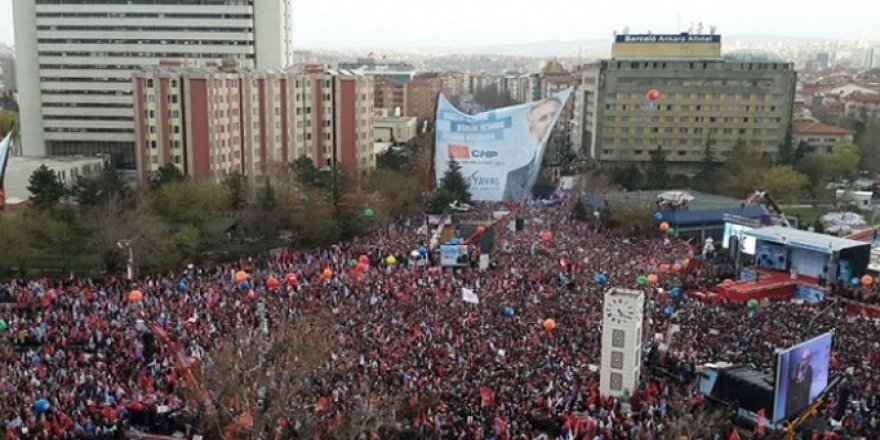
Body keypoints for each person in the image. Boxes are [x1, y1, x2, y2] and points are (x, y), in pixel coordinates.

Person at [502, 97, 563, 200]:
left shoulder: (546, 149)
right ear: (531, 125)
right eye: (543, 118)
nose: (550, 122)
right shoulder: (519, 161)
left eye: (553, 116)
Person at [787, 349, 814, 414]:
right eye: (803, 358)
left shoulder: (810, 370)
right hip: (795, 392)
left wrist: (802, 381)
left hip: (802, 395)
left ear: (809, 359)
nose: (804, 360)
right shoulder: (798, 366)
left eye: (806, 358)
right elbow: (793, 378)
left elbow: (809, 384)